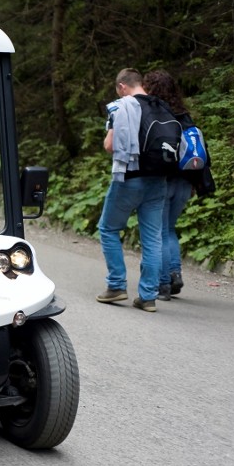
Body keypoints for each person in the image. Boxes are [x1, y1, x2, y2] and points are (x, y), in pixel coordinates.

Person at [96, 68, 168, 312]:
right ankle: (148, 296)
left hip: (129, 178)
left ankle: (116, 286)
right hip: (159, 180)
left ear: (121, 87)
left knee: (107, 229)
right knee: (152, 239)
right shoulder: (160, 106)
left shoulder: (121, 105)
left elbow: (109, 144)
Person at [143, 69, 195, 300]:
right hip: (185, 180)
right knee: (169, 229)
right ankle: (174, 273)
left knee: (160, 232)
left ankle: (163, 284)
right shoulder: (184, 115)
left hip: (162, 180)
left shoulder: (154, 114)